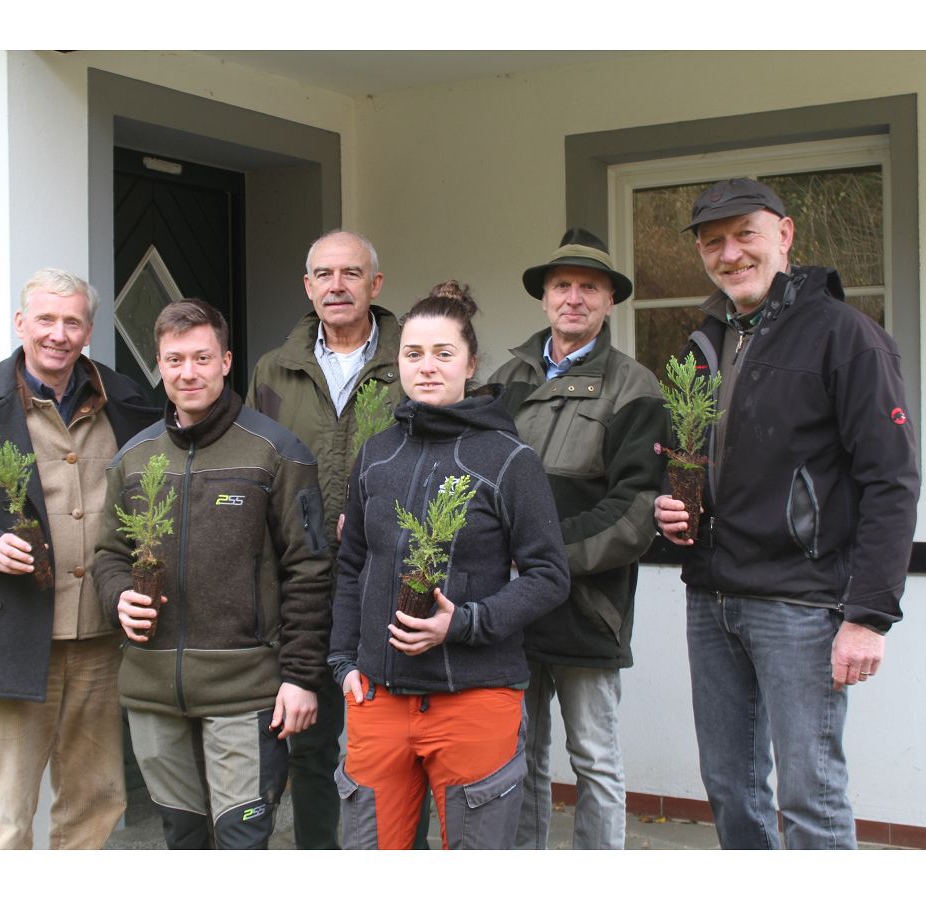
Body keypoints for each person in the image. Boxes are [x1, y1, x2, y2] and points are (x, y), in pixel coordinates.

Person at [654, 178, 919, 849]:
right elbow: (703, 459)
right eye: (713, 241)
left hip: (803, 604)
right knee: (732, 790)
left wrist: (867, 616)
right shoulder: (704, 344)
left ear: (786, 235)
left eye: (745, 234)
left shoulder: (846, 337)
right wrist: (671, 503)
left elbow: (891, 481)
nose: (730, 253)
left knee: (811, 797)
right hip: (711, 597)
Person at [0, 268, 155, 849]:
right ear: (21, 324)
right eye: (45, 319)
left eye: (72, 321)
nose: (58, 334)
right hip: (14, 636)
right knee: (10, 811)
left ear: (89, 329)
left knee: (96, 801)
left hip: (100, 636)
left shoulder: (128, 401)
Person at [329, 281, 570, 850]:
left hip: (474, 698)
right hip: (378, 699)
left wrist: (462, 622)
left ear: (471, 364)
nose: (427, 367)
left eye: (443, 353)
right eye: (413, 354)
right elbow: (352, 563)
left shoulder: (510, 459)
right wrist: (342, 661)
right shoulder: (376, 453)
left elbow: (549, 576)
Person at [94, 299, 333, 850]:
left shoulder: (277, 452)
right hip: (153, 690)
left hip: (243, 692)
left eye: (202, 357)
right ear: (159, 363)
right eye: (175, 359)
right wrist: (117, 597)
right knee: (183, 840)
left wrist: (299, 676)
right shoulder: (132, 459)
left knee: (240, 841)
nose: (188, 372)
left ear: (226, 361)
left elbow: (309, 569)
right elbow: (108, 554)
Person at [489, 228, 667, 850]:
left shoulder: (633, 385)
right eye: (561, 285)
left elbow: (635, 510)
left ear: (609, 301)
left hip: (588, 606)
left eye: (588, 287)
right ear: (544, 297)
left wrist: (542, 562)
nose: (573, 298)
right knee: (519, 757)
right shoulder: (503, 378)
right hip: (509, 608)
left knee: (594, 758)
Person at [245, 230, 402, 849]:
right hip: (303, 584)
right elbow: (259, 469)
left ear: (375, 285)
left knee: (390, 748)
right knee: (309, 742)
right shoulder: (273, 368)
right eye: (324, 275)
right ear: (307, 287)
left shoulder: (409, 357)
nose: (337, 286)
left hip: (387, 581)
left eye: (351, 274)